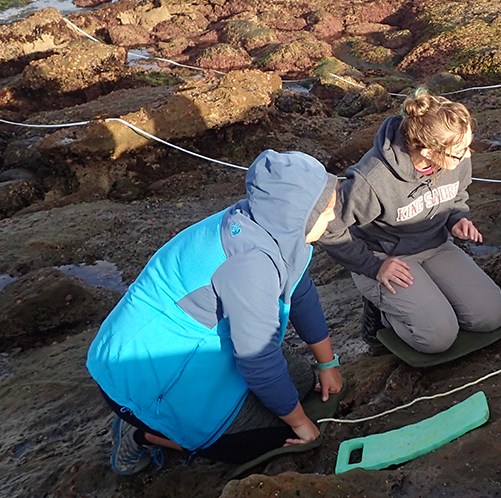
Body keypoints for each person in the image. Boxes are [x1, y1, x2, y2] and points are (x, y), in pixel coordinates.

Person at [86, 150, 343, 475]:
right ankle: (144, 433)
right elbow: (259, 360)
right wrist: (301, 425)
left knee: (303, 382)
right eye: (327, 211)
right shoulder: (252, 265)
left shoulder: (268, 225)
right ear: (300, 214)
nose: (332, 218)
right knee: (272, 439)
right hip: (145, 372)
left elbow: (300, 291)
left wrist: (327, 363)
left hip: (196, 347)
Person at [320, 88, 501, 354]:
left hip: (436, 246)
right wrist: (374, 266)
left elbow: (457, 194)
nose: (468, 155)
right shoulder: (372, 179)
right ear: (429, 152)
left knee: (491, 316)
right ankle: (380, 315)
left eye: (468, 146)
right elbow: (328, 227)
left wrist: (457, 217)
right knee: (438, 338)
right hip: (386, 256)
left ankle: (431, 302)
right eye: (460, 151)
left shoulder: (457, 156)